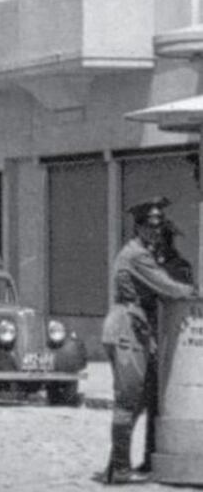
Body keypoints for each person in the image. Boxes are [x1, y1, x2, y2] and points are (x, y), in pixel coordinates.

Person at [98, 197, 194, 484]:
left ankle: (121, 465)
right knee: (128, 400)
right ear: (138, 227)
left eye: (159, 225)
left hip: (137, 330)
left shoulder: (145, 252)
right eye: (150, 225)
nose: (156, 231)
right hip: (127, 329)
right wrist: (192, 291)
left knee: (144, 399)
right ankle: (119, 470)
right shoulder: (136, 255)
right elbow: (168, 287)